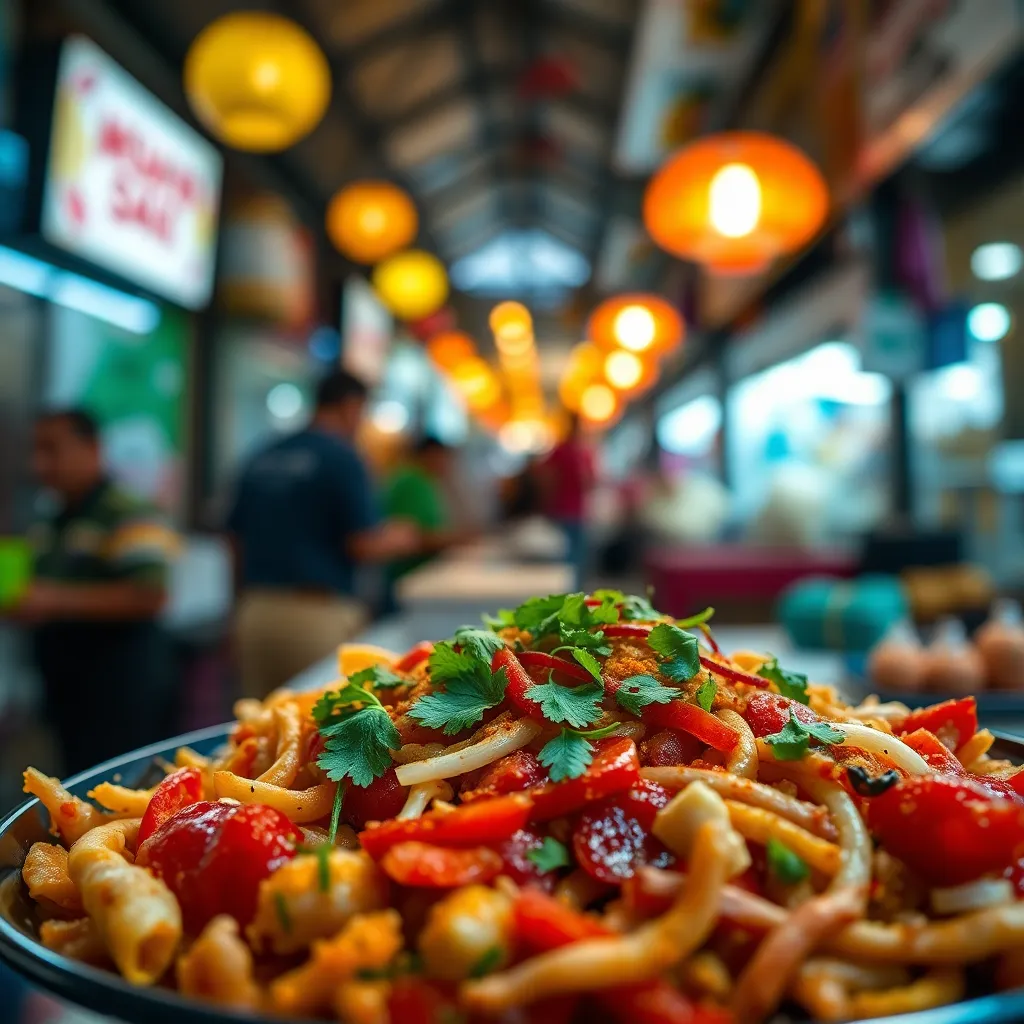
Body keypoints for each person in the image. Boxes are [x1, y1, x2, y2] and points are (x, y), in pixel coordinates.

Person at [226, 369, 420, 697]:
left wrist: (236, 608)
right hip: (315, 617)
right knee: (316, 731)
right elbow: (362, 544)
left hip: (255, 613)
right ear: (350, 406)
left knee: (255, 733)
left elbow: (233, 539)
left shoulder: (264, 453)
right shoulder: (341, 457)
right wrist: (403, 537)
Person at [9, 409, 179, 776]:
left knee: (120, 788)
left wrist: (51, 599)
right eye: (36, 451)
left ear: (92, 449)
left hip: (118, 688)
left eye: (52, 450)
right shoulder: (53, 519)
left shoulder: (131, 512)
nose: (40, 464)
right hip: (67, 683)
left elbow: (150, 594)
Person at [381, 436, 466, 613]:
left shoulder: (425, 481)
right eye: (444, 457)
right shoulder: (412, 482)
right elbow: (412, 538)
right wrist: (457, 540)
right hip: (407, 583)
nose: (447, 464)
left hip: (417, 582)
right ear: (430, 455)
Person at [534, 414, 596, 589]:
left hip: (577, 512)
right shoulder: (565, 450)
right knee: (564, 559)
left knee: (576, 560)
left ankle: (573, 597)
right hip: (562, 512)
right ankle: (565, 598)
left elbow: (591, 481)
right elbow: (544, 477)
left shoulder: (583, 452)